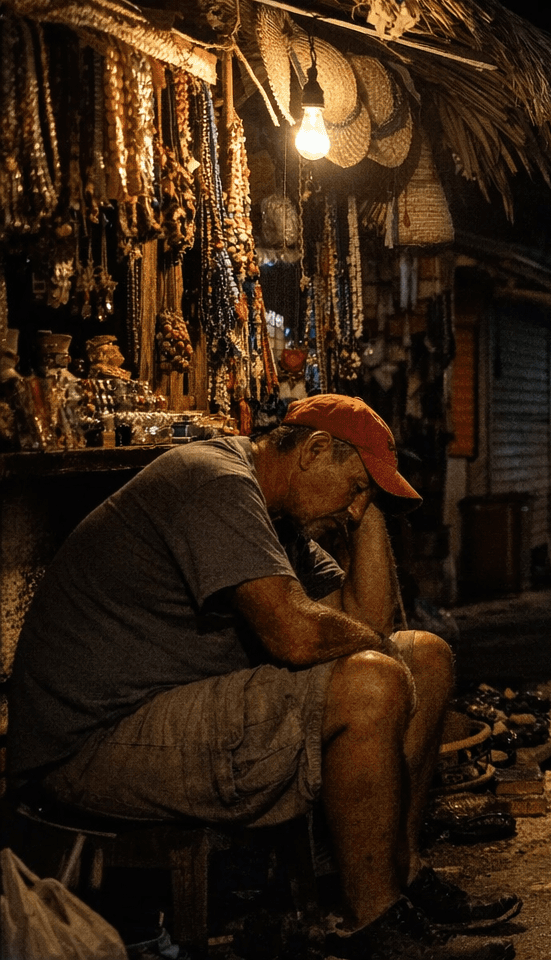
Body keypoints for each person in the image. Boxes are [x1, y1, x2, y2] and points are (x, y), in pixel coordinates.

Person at [9, 394, 517, 959]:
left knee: (425, 655)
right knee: (373, 681)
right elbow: (296, 636)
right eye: (355, 489)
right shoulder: (215, 480)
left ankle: (402, 875)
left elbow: (369, 623)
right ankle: (376, 927)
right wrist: (374, 645)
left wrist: (370, 510)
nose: (351, 509)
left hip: (160, 714)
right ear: (315, 449)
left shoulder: (283, 520)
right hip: (89, 745)